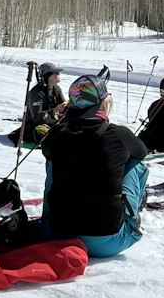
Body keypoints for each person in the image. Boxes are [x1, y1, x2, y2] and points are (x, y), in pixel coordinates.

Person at [38, 75, 149, 257]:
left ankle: (49, 218)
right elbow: (141, 151)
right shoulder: (118, 134)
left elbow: (47, 150)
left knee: (53, 161)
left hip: (58, 234)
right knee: (135, 163)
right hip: (107, 240)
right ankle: (132, 214)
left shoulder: (56, 134)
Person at [8, 62, 66, 147]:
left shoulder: (56, 89)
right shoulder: (37, 93)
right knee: (43, 133)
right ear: (48, 76)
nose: (59, 74)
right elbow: (36, 117)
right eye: (56, 73)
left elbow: (62, 107)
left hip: (50, 123)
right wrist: (55, 110)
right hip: (33, 127)